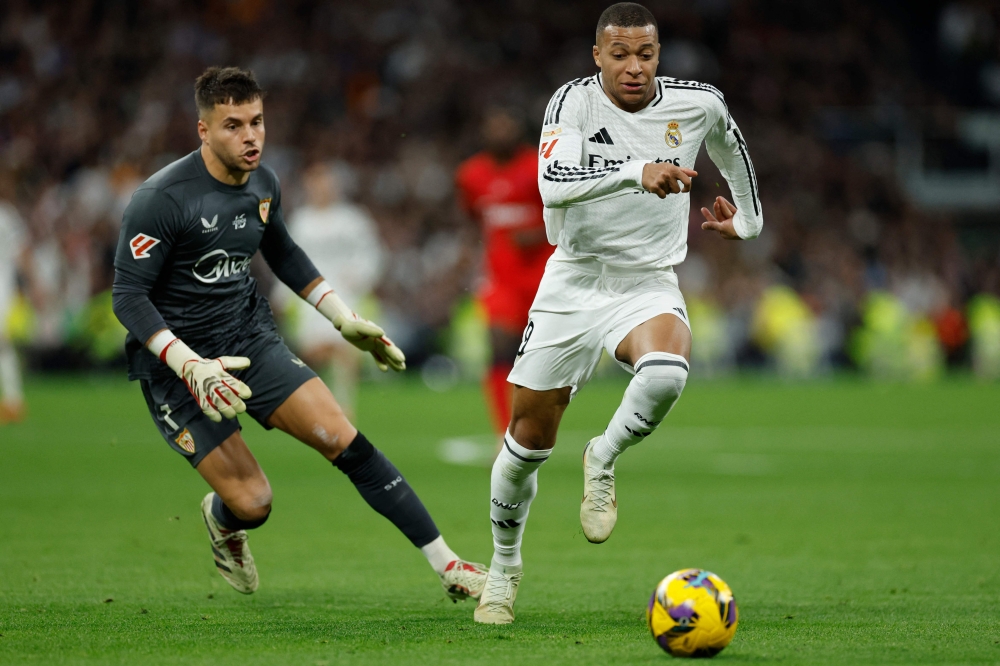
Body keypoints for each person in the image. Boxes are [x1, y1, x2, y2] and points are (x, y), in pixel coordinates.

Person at [112, 67, 487, 601]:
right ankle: (224, 521)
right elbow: (127, 296)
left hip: (247, 338)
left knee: (344, 438)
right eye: (233, 125)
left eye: (258, 122)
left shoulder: (264, 183)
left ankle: (448, 564)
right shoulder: (161, 199)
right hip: (179, 368)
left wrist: (340, 317)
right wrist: (188, 363)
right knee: (254, 504)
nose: (251, 137)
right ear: (203, 130)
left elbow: (282, 251)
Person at [474, 2, 764, 624]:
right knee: (526, 443)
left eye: (646, 55)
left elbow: (731, 146)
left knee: (666, 371)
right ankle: (503, 568)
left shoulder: (698, 103)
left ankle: (602, 456)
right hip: (573, 280)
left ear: (658, 56)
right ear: (598, 56)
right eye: (620, 55)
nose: (634, 67)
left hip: (647, 281)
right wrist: (639, 170)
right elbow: (553, 182)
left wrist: (750, 217)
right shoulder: (572, 102)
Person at [456, 108, 554, 438]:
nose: (500, 133)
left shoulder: (540, 166)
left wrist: (539, 232)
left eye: (506, 125)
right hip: (501, 281)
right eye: (493, 126)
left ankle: (535, 423)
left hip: (546, 276)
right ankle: (505, 433)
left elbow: (568, 213)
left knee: (541, 358)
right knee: (499, 348)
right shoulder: (471, 174)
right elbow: (474, 217)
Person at [275, 162, 384, 420]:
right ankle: (314, 400)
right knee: (315, 352)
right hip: (310, 297)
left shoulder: (353, 219)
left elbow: (372, 252)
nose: (321, 188)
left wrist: (362, 275)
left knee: (344, 349)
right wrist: (281, 293)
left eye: (325, 182)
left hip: (344, 291)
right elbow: (286, 259)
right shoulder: (301, 221)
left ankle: (344, 406)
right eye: (315, 183)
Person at [0, 171, 27, 424]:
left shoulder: (6, 215)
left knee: (3, 345)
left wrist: (29, 285)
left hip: (2, 290)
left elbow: (21, 253)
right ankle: (12, 400)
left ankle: (13, 401)